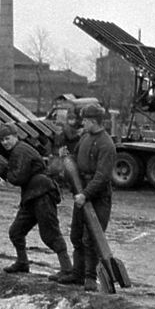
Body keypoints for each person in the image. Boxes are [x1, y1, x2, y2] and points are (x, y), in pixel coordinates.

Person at [0, 123, 73, 280]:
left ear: (16, 136)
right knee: (16, 231)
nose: (5, 142)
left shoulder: (20, 151)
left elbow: (18, 178)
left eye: (7, 138)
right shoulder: (17, 151)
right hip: (31, 195)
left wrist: (5, 171)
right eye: (2, 140)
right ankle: (22, 262)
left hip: (42, 194)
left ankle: (67, 269)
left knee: (50, 233)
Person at [58, 105, 116, 291]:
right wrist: (65, 159)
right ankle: (77, 274)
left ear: (93, 121)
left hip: (97, 197)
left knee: (91, 238)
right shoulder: (85, 138)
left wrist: (85, 194)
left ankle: (90, 278)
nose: (82, 123)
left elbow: (102, 176)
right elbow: (75, 160)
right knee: (76, 234)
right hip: (81, 191)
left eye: (85, 120)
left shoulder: (107, 144)